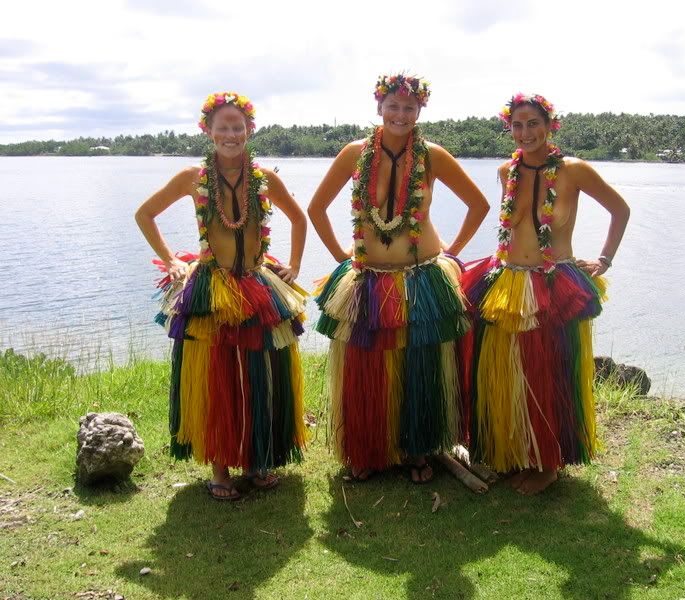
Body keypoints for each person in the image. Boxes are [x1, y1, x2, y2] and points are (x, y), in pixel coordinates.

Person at [308, 74, 489, 483]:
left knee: (420, 367)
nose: (400, 114)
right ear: (379, 107)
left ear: (419, 112)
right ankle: (368, 450)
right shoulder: (354, 153)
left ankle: (417, 449)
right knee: (366, 367)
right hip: (368, 277)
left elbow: (478, 204)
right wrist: (343, 257)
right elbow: (316, 208)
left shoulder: (433, 156)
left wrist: (452, 253)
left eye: (409, 107)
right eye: (393, 105)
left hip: (421, 276)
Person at [135, 92, 308, 500]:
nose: (231, 134)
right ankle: (220, 468)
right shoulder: (192, 178)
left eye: (238, 126)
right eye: (223, 127)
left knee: (260, 372)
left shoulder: (264, 178)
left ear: (250, 129)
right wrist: (171, 260)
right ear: (207, 131)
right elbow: (145, 214)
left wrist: (295, 266)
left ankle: (257, 458)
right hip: (212, 287)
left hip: (258, 282)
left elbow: (299, 218)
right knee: (218, 375)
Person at [462, 93, 630, 494]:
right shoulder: (507, 171)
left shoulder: (573, 170)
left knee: (547, 372)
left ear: (549, 125)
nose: (526, 132)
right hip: (506, 279)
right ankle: (510, 449)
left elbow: (620, 210)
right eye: (517, 125)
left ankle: (546, 461)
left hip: (552, 282)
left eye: (533, 123)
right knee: (505, 370)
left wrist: (604, 259)